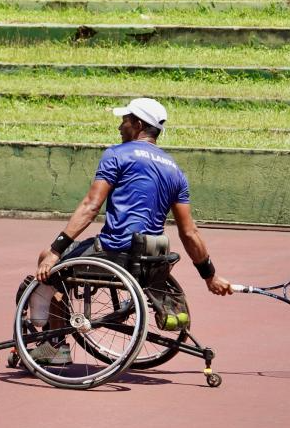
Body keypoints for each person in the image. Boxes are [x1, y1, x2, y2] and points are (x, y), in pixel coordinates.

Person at [29, 97, 232, 365]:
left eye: (124, 120)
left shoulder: (117, 154)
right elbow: (189, 232)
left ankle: (53, 344)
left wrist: (55, 251)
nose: (119, 126)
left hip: (113, 252)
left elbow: (91, 207)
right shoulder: (175, 171)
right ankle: (51, 338)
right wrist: (210, 276)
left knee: (47, 261)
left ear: (137, 124)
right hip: (148, 258)